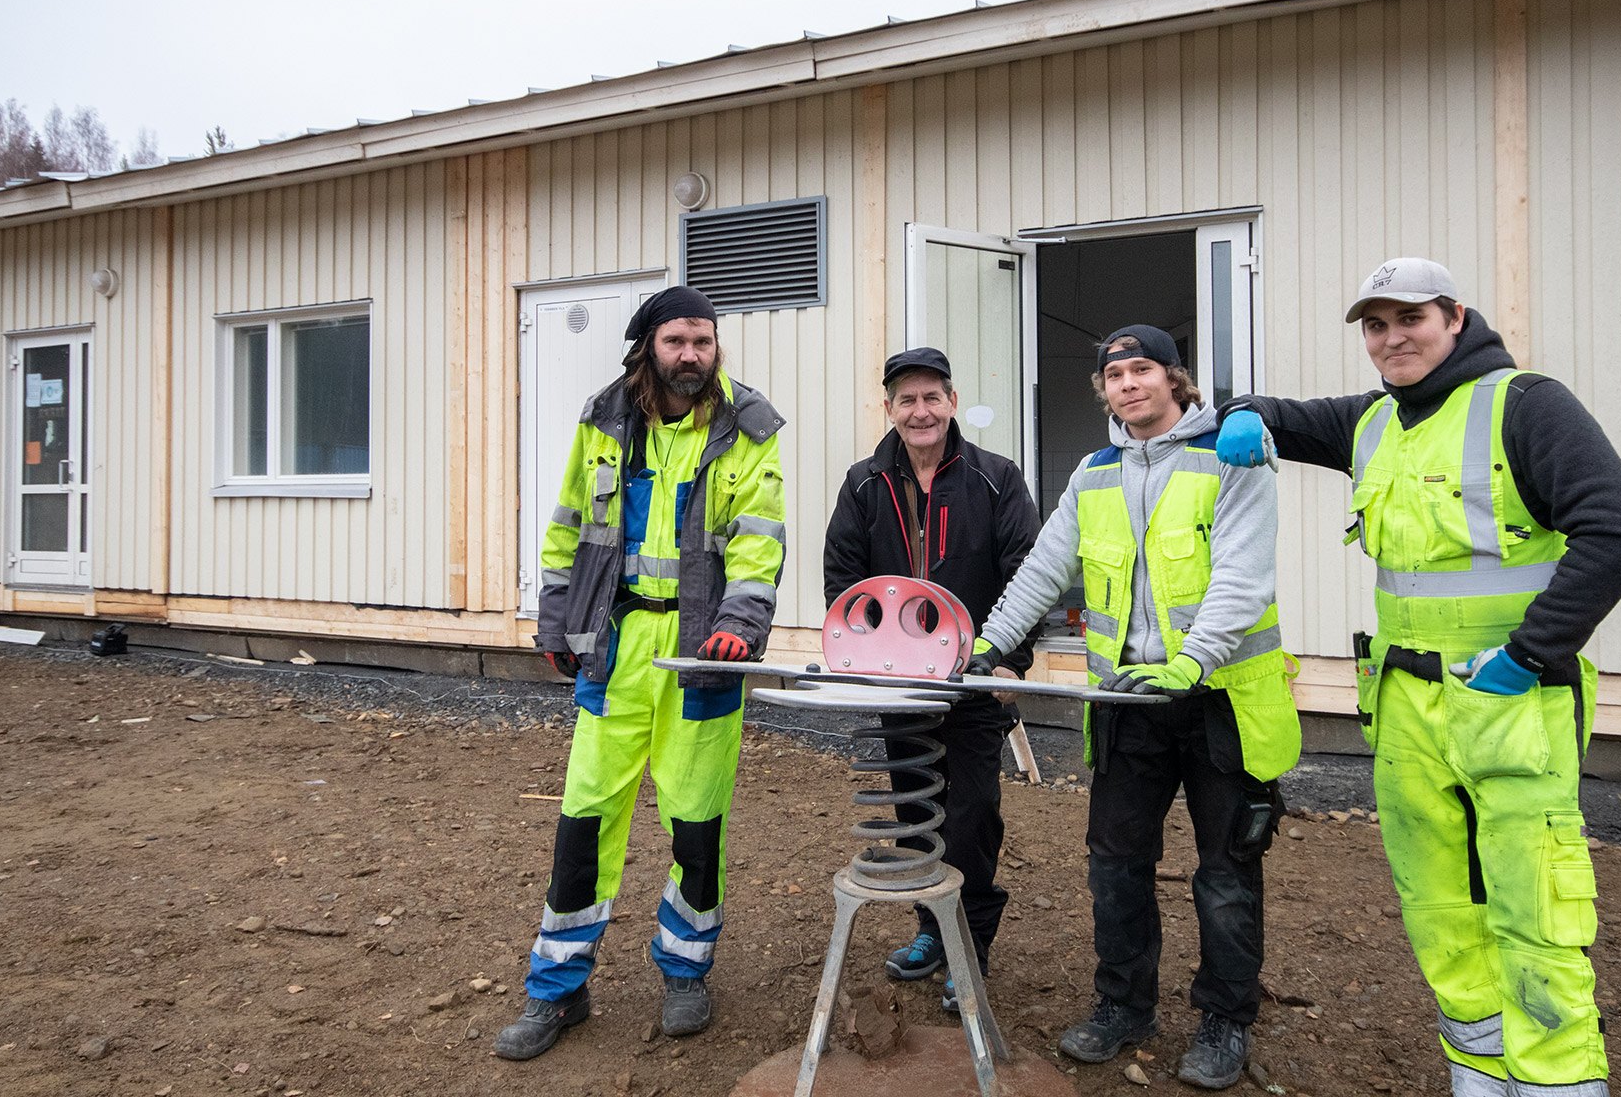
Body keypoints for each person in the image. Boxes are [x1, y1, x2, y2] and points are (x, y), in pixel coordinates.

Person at [1214, 258, 1621, 1097]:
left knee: (1535, 907)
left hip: (1512, 701)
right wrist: (1244, 412)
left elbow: (1619, 530)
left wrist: (1529, 654)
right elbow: (1284, 415)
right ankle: (1479, 1073)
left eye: (1408, 318)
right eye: (1375, 326)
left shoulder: (1523, 404)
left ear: (1455, 316)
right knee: (1438, 906)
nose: (1391, 339)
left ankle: (1560, 1082)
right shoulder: (1376, 421)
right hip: (1408, 709)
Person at [969, 325, 1300, 1090]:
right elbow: (1045, 569)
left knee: (1224, 873)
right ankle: (1124, 1006)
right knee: (1115, 867)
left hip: (1218, 702)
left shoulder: (1230, 457)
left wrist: (1191, 661)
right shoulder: (1093, 474)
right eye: (1114, 374)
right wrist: (990, 645)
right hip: (1127, 703)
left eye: (1142, 369)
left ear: (1174, 380)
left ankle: (1225, 1021)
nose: (1127, 384)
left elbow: (1243, 576)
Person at [494, 286, 787, 1061]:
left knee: (696, 825)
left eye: (703, 340)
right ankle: (557, 987)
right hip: (615, 645)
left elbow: (760, 541)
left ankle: (686, 971)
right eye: (677, 342)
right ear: (648, 346)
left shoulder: (747, 427)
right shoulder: (603, 421)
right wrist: (555, 619)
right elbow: (567, 526)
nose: (691, 355)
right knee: (585, 821)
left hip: (702, 657)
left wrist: (740, 626)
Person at [822, 346, 1043, 1011]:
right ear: (888, 408)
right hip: (898, 686)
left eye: (931, 398)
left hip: (973, 684)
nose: (920, 411)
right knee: (917, 809)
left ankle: (968, 950)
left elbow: (1026, 573)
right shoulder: (864, 485)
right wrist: (863, 659)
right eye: (906, 400)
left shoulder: (996, 479)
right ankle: (930, 929)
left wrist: (1011, 659)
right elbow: (843, 575)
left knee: (971, 815)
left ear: (951, 403)